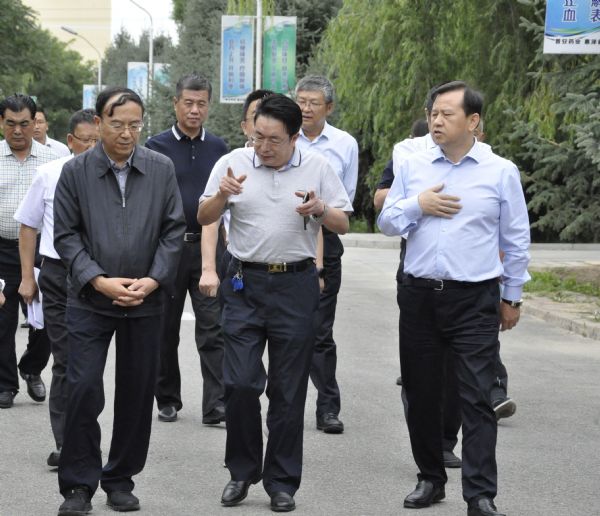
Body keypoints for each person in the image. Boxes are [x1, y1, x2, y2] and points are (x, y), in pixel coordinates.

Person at [378, 81, 530, 516]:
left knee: (478, 397)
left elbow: (516, 238)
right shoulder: (413, 165)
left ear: (473, 121)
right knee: (422, 394)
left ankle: (480, 494)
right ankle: (430, 478)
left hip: (474, 299)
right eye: (433, 114)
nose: (436, 121)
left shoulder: (500, 171)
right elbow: (386, 222)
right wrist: (418, 204)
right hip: (420, 296)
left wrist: (512, 297)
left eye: (446, 114)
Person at [198, 94, 352, 512]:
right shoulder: (233, 162)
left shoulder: (318, 167)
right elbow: (204, 216)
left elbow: (343, 221)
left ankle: (282, 482)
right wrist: (222, 196)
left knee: (288, 390)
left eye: (274, 140)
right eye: (258, 136)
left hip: (295, 285)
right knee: (240, 383)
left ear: (295, 138)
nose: (263, 147)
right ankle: (242, 471)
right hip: (244, 283)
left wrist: (320, 209)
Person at [53, 87, 186, 515]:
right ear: (98, 123)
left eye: (135, 124)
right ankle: (78, 485)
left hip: (145, 300)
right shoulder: (75, 172)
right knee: (82, 388)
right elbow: (66, 236)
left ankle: (120, 479)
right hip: (89, 300)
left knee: (137, 392)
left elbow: (173, 230)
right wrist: (98, 280)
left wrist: (153, 279)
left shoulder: (160, 168)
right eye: (117, 124)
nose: (127, 133)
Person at [13, 109, 98, 468]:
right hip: (59, 275)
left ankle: (88, 436)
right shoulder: (49, 174)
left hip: (101, 278)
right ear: (70, 141)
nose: (91, 147)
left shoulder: (114, 177)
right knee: (66, 359)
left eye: (97, 140)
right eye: (85, 140)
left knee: (90, 364)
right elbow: (28, 226)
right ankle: (67, 442)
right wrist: (27, 277)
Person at [145, 74, 229, 425]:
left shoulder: (220, 148)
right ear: (176, 103)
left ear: (208, 105)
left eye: (202, 104)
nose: (195, 110)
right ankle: (167, 398)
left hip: (209, 248)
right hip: (167, 250)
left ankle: (216, 405)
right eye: (189, 103)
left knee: (213, 328)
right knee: (165, 329)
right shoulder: (155, 145)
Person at [293, 75, 358, 434]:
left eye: (313, 102)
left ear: (328, 107)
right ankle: (285, 406)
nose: (305, 108)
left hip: (327, 238)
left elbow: (343, 202)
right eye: (301, 101)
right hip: (287, 236)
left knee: (320, 329)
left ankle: (327, 407)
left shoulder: (345, 144)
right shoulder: (282, 136)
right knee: (287, 331)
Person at [0, 94, 55, 409]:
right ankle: (5, 384)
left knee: (44, 321)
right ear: (1, 123)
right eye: (11, 124)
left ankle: (32, 368)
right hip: (2, 250)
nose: (18, 131)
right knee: (2, 321)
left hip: (42, 253)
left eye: (24, 123)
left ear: (35, 123)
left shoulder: (53, 160)